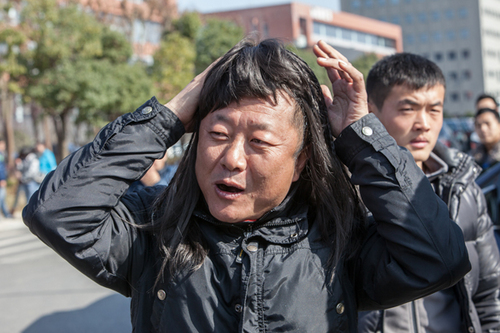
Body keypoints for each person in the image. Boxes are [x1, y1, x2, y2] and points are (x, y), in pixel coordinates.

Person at [23, 39, 470, 332]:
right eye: (217, 135)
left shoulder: (339, 237)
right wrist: (169, 116)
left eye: (259, 141)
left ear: (301, 162)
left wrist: (361, 136)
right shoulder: (157, 226)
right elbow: (57, 211)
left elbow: (438, 258)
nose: (231, 159)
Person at [358, 53, 500, 333]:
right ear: (371, 111)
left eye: (434, 110)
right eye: (408, 109)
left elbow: (489, 293)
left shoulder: (464, 190)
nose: (424, 123)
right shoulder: (349, 192)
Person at [11, 146, 43, 214]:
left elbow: (31, 172)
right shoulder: (24, 159)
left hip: (32, 182)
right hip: (25, 182)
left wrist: (22, 177)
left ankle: (33, 213)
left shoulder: (33, 159)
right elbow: (21, 169)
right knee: (27, 198)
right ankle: (29, 213)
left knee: (32, 198)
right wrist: (19, 164)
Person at [0, 139, 12, 218]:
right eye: (2, 144)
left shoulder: (2, 154)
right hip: (1, 179)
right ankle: (6, 213)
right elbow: (0, 168)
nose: (3, 146)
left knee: (2, 197)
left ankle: (6, 213)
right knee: (1, 196)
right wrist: (2, 179)